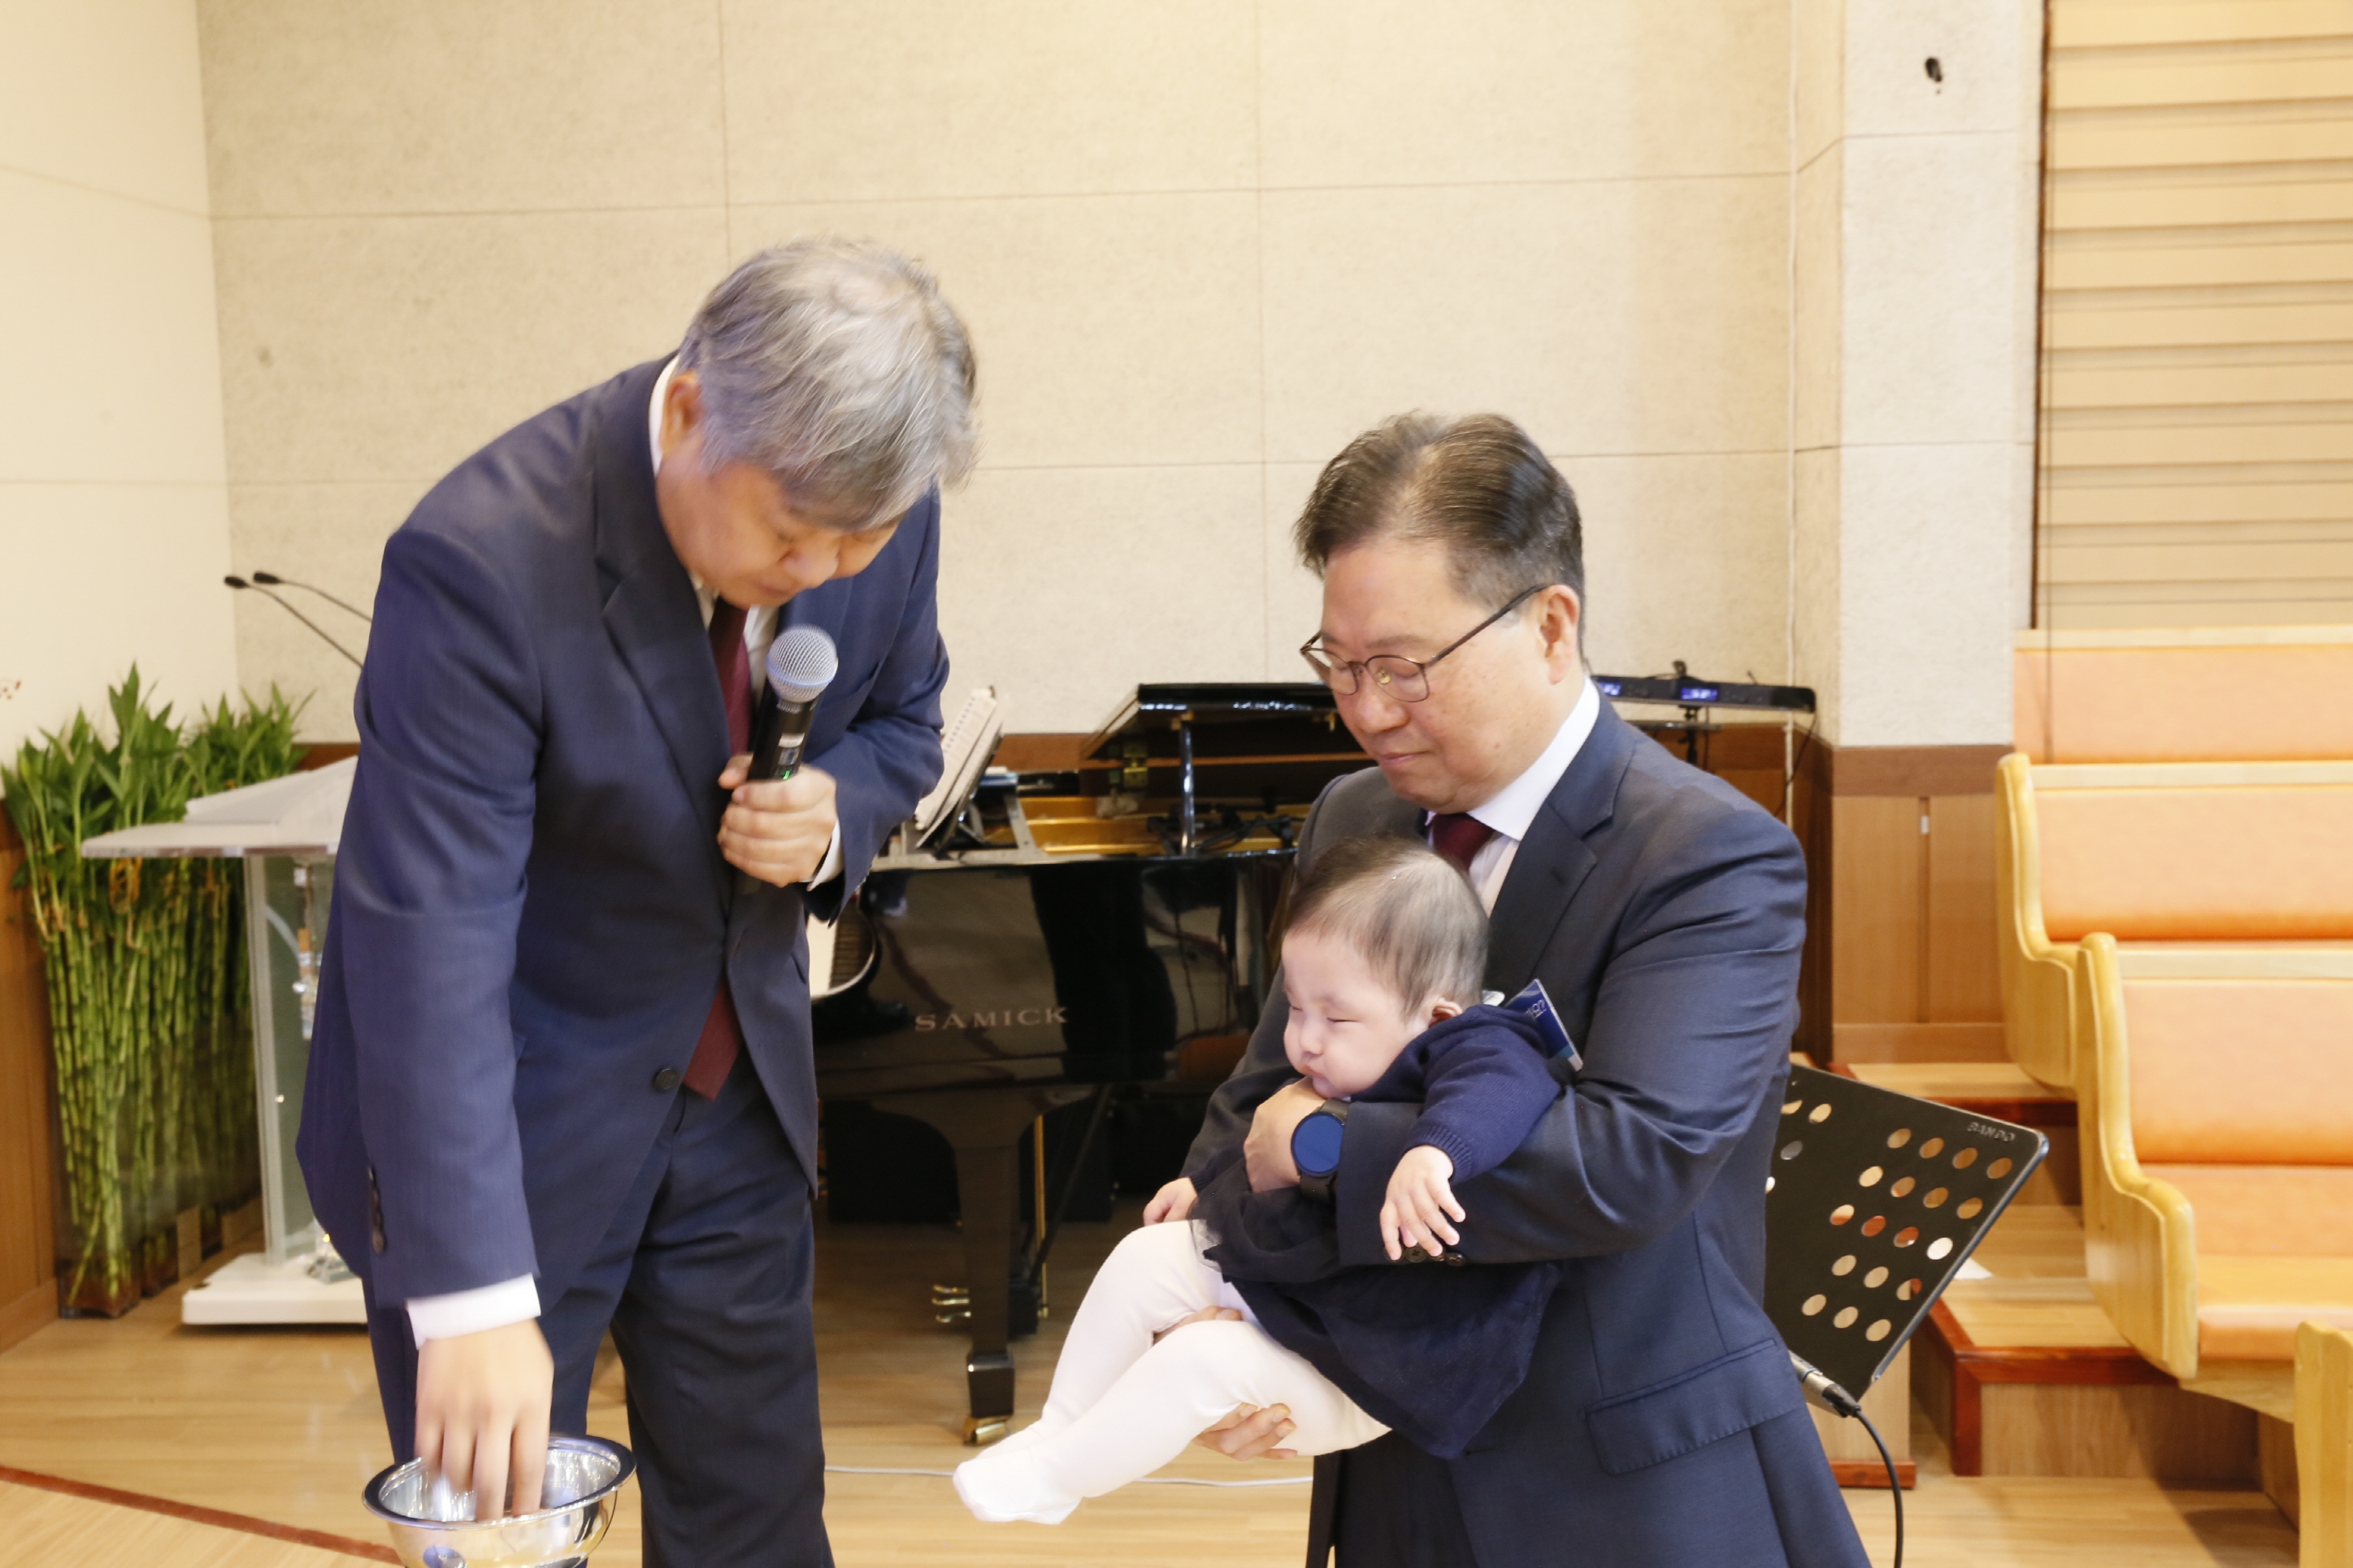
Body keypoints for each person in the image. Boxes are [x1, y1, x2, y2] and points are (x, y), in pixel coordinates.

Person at [296, 240, 976, 1568]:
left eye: (866, 537)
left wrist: (832, 808)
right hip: (510, 1122)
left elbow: (906, 722)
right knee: (506, 1533)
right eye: (792, 532)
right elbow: (430, 935)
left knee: (755, 1520)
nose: (827, 568)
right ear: (691, 415)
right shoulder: (481, 558)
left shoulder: (873, 497)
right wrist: (469, 1292)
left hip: (735, 1099)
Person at [1142, 414, 1869, 1567]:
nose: (1368, 709)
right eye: (1341, 665)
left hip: (1617, 1475)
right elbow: (1265, 1086)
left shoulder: (1704, 853)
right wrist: (1227, 1293)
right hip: (1392, 1445)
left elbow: (1622, 1162)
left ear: (1549, 625)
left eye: (1404, 667)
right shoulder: (1355, 814)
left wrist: (1323, 1149)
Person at [952, 838, 1561, 1525]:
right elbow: (1261, 1131)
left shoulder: (1478, 1041)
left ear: (1437, 1017)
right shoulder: (1348, 1055)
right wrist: (1203, 1184)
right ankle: (1060, 1429)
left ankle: (1056, 1476)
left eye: (1335, 1016)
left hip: (1376, 1374)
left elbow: (1501, 1090)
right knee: (1143, 1256)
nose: (1305, 1039)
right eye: (1295, 1008)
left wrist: (1435, 1151)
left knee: (1202, 1358)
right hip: (1307, 1307)